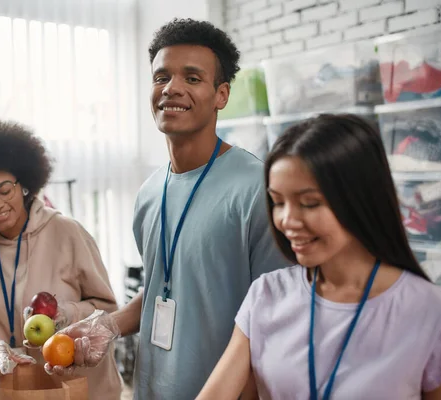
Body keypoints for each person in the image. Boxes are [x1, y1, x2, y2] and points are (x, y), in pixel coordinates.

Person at [45, 18, 288, 399]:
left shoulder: (258, 187)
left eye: (192, 78)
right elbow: (165, 285)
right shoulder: (149, 192)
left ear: (221, 95)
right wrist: (107, 327)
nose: (171, 88)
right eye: (161, 77)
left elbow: (278, 316)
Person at [197, 114, 441, 399]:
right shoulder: (266, 295)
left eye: (309, 203)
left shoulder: (429, 311)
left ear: (360, 199)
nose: (287, 220)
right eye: (277, 202)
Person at [0, 119, 122, 400]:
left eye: (4, 191)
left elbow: (108, 310)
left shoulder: (68, 233)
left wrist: (64, 314)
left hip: (78, 390)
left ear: (24, 184)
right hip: (12, 390)